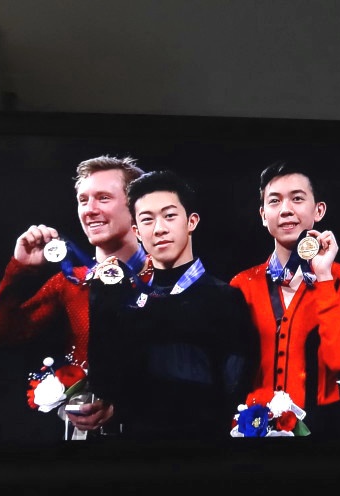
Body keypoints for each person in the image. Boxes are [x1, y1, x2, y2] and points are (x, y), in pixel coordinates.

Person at [0, 155, 149, 435]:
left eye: (103, 198)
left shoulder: (167, 279)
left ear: (137, 206)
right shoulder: (71, 282)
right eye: (83, 200)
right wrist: (19, 269)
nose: (90, 210)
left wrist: (125, 405)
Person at [87, 170, 258, 440]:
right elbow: (110, 388)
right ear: (137, 231)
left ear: (191, 221)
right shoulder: (128, 303)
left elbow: (235, 390)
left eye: (169, 216)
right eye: (147, 219)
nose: (159, 229)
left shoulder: (225, 298)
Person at [229, 160, 340, 436]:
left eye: (297, 199)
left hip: (324, 427)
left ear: (319, 210)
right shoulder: (243, 284)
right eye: (274, 201)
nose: (286, 209)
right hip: (254, 426)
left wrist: (323, 277)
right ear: (263, 215)